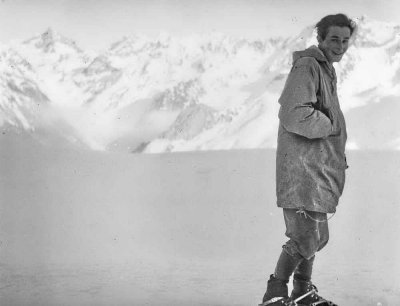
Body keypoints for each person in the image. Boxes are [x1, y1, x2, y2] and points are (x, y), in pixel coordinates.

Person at [260, 14, 356, 306]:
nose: (340, 46)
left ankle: (302, 292)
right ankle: (275, 293)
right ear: (320, 39)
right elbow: (293, 113)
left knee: (317, 237)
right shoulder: (308, 66)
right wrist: (329, 126)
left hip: (315, 171)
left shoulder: (325, 69)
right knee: (306, 238)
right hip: (302, 172)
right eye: (333, 39)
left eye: (344, 40)